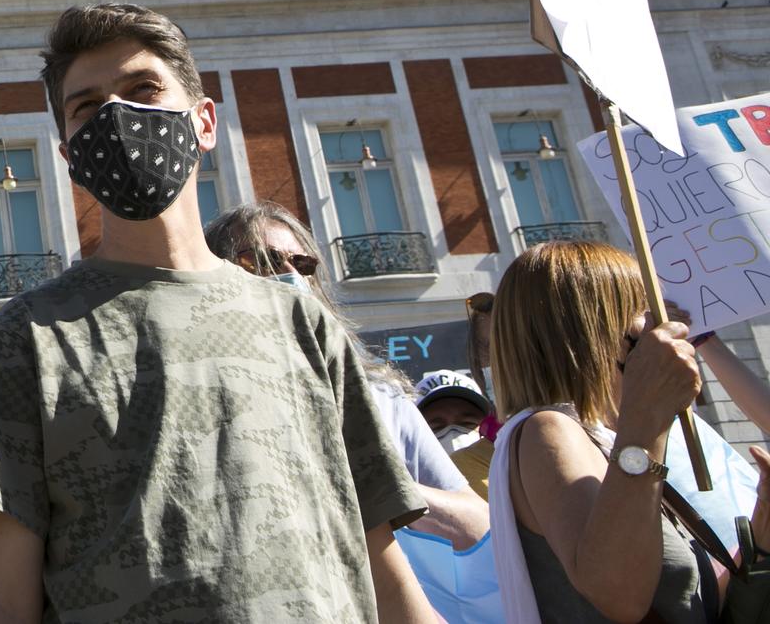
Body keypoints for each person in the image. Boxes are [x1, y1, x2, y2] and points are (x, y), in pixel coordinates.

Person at [0, 1, 442, 623]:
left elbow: (376, 559)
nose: (119, 118)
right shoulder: (30, 338)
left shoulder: (300, 321)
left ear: (203, 122)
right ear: (70, 155)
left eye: (143, 88)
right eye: (87, 108)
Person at [486, 240, 770, 622]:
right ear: (595, 329)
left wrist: (763, 526)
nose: (663, 325)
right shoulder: (548, 430)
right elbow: (617, 593)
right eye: (641, 309)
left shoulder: (606, 442)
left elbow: (688, 606)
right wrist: (647, 415)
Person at [204, 200, 490, 550]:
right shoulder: (200, 396)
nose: (290, 275)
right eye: (263, 260)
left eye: (302, 263)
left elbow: (477, 522)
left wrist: (379, 487)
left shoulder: (381, 395)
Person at [415, 370, 494, 499]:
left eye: (467, 423)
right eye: (436, 427)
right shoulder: (413, 500)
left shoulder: (510, 479)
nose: (453, 434)